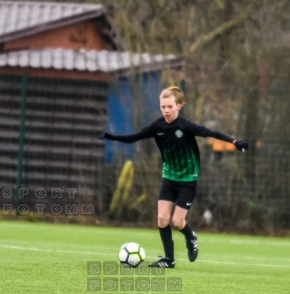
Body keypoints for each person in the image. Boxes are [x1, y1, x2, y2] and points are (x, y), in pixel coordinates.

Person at [100, 86, 248, 268]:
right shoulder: (157, 126)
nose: (166, 110)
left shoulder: (186, 126)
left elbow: (211, 133)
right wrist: (113, 137)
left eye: (170, 106)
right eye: (163, 107)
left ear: (179, 106)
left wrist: (235, 142)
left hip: (188, 180)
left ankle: (190, 236)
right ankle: (169, 260)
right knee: (162, 219)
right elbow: (134, 137)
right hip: (169, 178)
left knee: (178, 222)